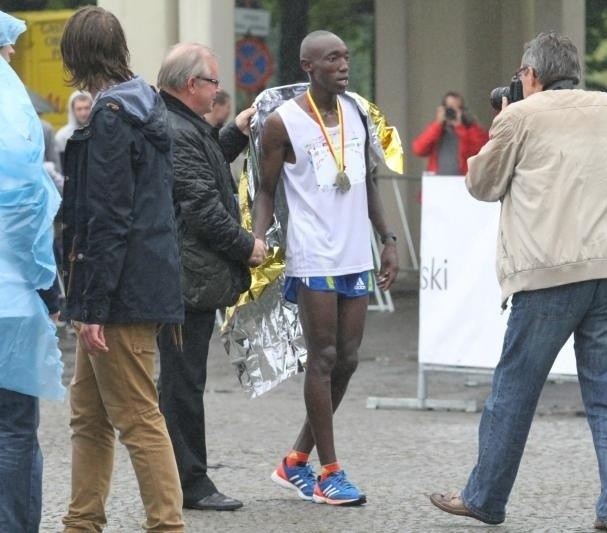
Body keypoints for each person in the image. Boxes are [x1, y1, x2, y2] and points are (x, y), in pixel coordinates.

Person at [428, 32, 607, 533]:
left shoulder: (520, 116)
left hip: (549, 273)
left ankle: (484, 498)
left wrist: (506, 117)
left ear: (530, 75)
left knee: (514, 390)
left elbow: (481, 183)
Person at [252, 30, 399, 506]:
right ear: (307, 67)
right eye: (332, 58)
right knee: (324, 356)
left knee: (349, 359)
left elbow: (369, 181)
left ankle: (295, 460)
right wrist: (258, 239)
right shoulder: (282, 123)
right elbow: (267, 190)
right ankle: (329, 473)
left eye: (346, 56)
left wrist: (388, 239)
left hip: (356, 254)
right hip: (313, 253)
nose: (343, 65)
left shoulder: (357, 111)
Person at [59, 6, 185, 532]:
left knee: (137, 418)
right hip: (137, 284)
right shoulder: (145, 103)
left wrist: (91, 307)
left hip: (119, 296)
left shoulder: (112, 115)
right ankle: (82, 521)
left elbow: (108, 219)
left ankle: (166, 526)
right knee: (88, 416)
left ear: (78, 54)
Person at [156, 42, 265, 512]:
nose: (219, 90)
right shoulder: (176, 131)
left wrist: (236, 132)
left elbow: (206, 168)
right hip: (182, 279)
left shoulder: (185, 126)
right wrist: (248, 247)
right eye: (214, 82)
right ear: (189, 85)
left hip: (189, 276)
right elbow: (201, 206)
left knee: (183, 380)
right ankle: (189, 484)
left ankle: (182, 477)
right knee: (181, 384)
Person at [0, 10, 64, 532]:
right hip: (9, 298)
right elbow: (25, 206)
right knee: (14, 428)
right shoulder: (11, 109)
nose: (14, 53)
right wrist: (47, 280)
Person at [411, 90, 488, 175]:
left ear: (462, 110)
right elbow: (418, 149)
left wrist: (460, 127)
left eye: (456, 109)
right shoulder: (436, 129)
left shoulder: (471, 129)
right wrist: (438, 124)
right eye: (449, 109)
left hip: (462, 182)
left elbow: (480, 151)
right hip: (437, 183)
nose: (452, 112)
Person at [55, 90, 92, 167]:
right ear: (72, 110)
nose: (83, 113)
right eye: (79, 109)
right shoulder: (62, 136)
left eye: (87, 108)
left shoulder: (100, 131)